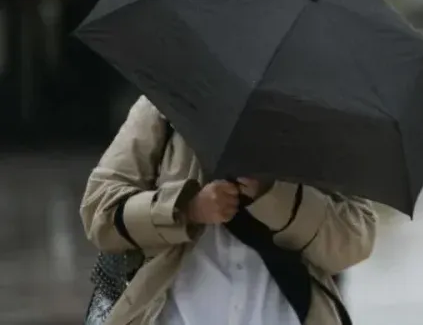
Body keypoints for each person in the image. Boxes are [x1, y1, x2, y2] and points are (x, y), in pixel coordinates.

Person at [80, 96, 378, 325]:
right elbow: (99, 210)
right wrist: (186, 209)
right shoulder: (164, 105)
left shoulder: (315, 118)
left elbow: (354, 242)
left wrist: (274, 197)